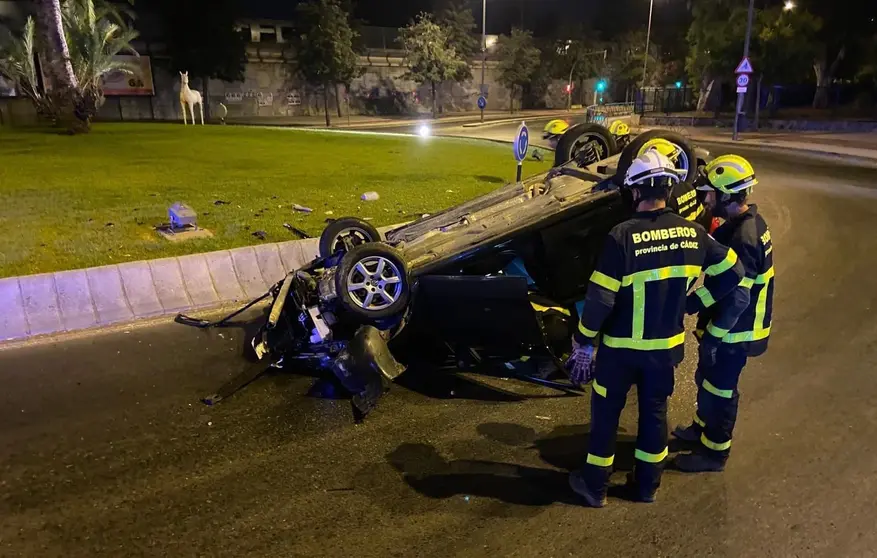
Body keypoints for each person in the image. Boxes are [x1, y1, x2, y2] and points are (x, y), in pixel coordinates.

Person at [566, 150, 749, 507]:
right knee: (654, 414)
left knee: (606, 416)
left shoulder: (621, 236)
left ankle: (595, 487)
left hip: (619, 352)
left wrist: (584, 342)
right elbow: (734, 272)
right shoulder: (694, 233)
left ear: (634, 192)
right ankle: (647, 486)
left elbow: (601, 299)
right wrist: (694, 303)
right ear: (668, 191)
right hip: (665, 351)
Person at [673, 154, 775, 472]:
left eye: (710, 193)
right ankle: (701, 429)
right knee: (706, 378)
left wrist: (710, 332)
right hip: (725, 323)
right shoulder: (741, 225)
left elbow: (738, 297)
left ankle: (715, 453)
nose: (705, 198)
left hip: (735, 329)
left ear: (728, 195)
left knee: (721, 387)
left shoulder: (745, 238)